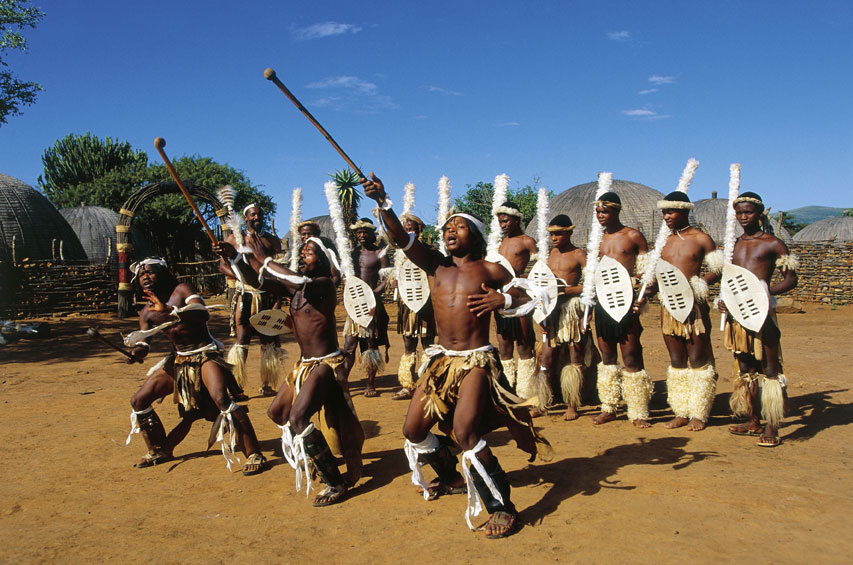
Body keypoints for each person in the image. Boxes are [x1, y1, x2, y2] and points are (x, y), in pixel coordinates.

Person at [365, 173, 552, 539]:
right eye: (448, 226)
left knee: (466, 430)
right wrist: (383, 202)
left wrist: (505, 299)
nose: (451, 230)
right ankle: (450, 475)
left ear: (477, 236)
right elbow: (401, 238)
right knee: (413, 429)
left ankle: (502, 507)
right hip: (440, 361)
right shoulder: (435, 264)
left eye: (460, 226)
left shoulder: (491, 270)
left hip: (476, 362)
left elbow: (537, 296)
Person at [213, 233, 364, 505]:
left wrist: (264, 258)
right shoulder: (295, 288)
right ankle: (316, 458)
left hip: (327, 364)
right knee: (277, 412)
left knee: (298, 417)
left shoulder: (322, 285)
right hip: (304, 365)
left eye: (310, 250)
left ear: (324, 258)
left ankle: (335, 482)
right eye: (303, 250)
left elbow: (294, 278)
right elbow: (257, 281)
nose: (304, 253)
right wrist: (234, 257)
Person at [125, 257, 266, 475]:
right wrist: (136, 352)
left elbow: (202, 312)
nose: (145, 277)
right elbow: (145, 343)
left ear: (162, 273)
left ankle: (254, 452)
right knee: (138, 400)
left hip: (205, 354)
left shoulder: (181, 290)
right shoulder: (146, 311)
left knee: (221, 399)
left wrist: (171, 311)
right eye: (141, 275)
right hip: (179, 360)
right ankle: (157, 450)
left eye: (150, 272)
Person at [720, 192, 798, 447]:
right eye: (739, 213)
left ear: (760, 213)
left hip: (763, 315)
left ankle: (772, 425)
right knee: (745, 368)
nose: (743, 217)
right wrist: (725, 300)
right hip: (737, 316)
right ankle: (752, 420)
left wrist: (766, 293)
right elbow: (728, 280)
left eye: (748, 212)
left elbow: (790, 279)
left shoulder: (773, 243)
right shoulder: (733, 245)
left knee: (770, 369)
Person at [641, 191, 723, 431]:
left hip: (694, 307)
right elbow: (657, 277)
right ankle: (681, 410)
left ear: (685, 211)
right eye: (664, 212)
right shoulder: (662, 242)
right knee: (676, 359)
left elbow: (718, 270)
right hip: (668, 308)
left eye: (671, 211)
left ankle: (699, 412)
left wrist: (698, 284)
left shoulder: (702, 239)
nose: (666, 216)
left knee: (698, 358)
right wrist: (648, 290)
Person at [591, 191, 654, 428]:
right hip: (603, 303)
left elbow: (648, 273)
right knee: (607, 355)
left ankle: (638, 411)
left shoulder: (633, 236)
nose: (600, 216)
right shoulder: (596, 240)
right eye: (598, 212)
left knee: (631, 354)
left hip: (627, 302)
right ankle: (609, 406)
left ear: (616, 211)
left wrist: (643, 295)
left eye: (604, 211)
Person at [218, 203, 284, 398]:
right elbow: (222, 266)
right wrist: (241, 276)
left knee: (268, 340)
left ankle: (267, 384)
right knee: (242, 339)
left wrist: (278, 299)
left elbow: (278, 271)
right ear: (245, 217)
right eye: (253, 215)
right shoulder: (234, 239)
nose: (257, 218)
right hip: (245, 294)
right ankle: (236, 386)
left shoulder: (271, 240)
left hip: (267, 294)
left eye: (260, 215)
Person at [538, 214, 591, 421]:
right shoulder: (548, 255)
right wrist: (541, 316)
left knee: (574, 357)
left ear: (569, 232)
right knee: (547, 358)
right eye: (551, 234)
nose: (554, 238)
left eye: (559, 234)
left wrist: (568, 292)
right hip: (550, 310)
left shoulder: (579, 254)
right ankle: (543, 402)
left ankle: (572, 404)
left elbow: (590, 286)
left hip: (571, 310)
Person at [493, 202, 538, 398]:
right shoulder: (498, 244)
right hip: (500, 298)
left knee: (524, 344)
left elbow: (540, 269)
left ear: (517, 219)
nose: (502, 225)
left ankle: (526, 391)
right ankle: (507, 388)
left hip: (521, 299)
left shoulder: (528, 241)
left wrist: (527, 285)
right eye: (500, 222)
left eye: (506, 220)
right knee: (504, 345)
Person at [342, 217, 390, 397]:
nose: (361, 235)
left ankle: (370, 384)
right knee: (349, 346)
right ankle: (343, 381)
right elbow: (344, 276)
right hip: (354, 304)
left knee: (370, 345)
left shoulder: (380, 253)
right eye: (358, 232)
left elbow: (386, 278)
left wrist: (373, 295)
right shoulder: (351, 254)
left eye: (365, 232)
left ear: (372, 234)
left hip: (371, 305)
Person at [392, 212, 437, 401]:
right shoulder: (400, 254)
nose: (408, 230)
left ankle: (428, 382)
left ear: (419, 229)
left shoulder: (429, 250)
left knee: (428, 344)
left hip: (426, 304)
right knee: (408, 344)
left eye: (412, 227)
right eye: (406, 228)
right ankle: (407, 385)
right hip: (406, 305)